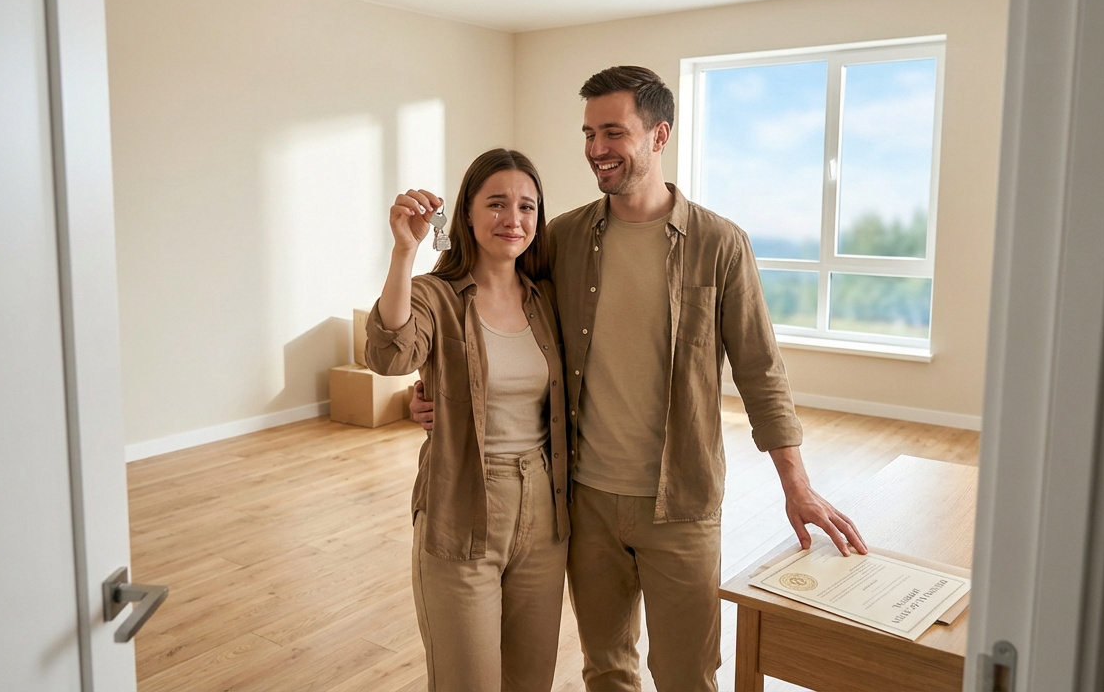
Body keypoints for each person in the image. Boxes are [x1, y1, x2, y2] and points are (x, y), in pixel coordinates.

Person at [412, 66, 867, 692]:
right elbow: (493, 302)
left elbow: (761, 371)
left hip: (680, 503)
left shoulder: (720, 244)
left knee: (687, 674)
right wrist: (437, 387)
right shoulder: (563, 237)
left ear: (660, 136)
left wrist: (797, 484)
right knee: (607, 669)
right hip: (583, 502)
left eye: (614, 132)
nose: (598, 149)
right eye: (589, 133)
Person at [363, 148, 570, 692]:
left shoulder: (548, 299)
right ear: (468, 214)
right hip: (462, 505)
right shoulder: (435, 295)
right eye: (496, 203)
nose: (513, 218)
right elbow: (391, 357)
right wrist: (404, 253)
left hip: (545, 511)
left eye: (527, 206)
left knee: (531, 681)